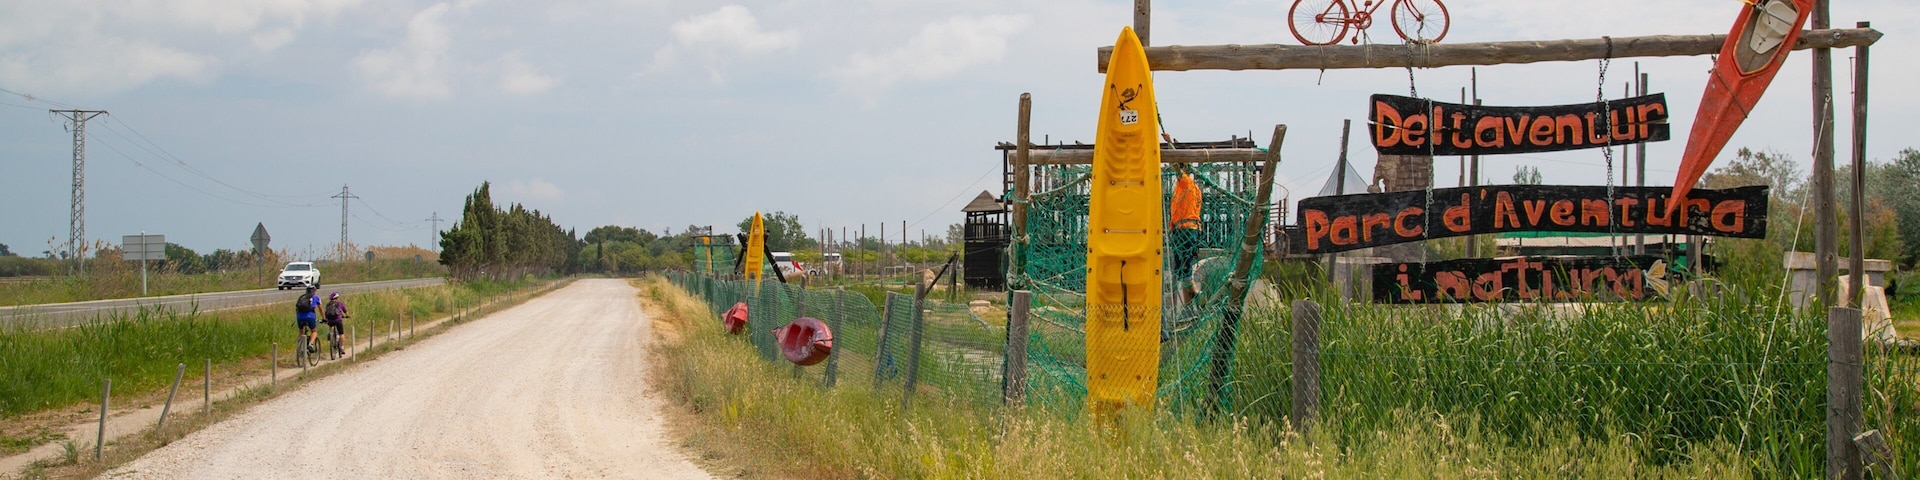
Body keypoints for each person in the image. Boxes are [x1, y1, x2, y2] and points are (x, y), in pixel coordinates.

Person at [1169, 163, 1204, 305]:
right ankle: (1191, 302)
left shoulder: (1186, 182)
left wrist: (1169, 143)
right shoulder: (1188, 187)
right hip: (1184, 229)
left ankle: (1197, 296)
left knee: (1185, 269)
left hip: (1186, 229)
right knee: (1181, 269)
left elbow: (1176, 166)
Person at [323, 291, 351, 357]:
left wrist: (325, 319)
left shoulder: (328, 304)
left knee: (330, 325)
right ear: (337, 298)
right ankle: (341, 347)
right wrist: (347, 316)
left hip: (330, 320)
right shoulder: (340, 303)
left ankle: (330, 333)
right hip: (338, 320)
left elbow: (326, 312)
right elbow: (345, 311)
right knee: (341, 334)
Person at [294, 286, 321, 353]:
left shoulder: (301, 297)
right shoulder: (316, 297)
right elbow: (321, 309)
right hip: (310, 316)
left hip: (300, 317)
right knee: (314, 331)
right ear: (314, 291)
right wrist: (324, 318)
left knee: (301, 331)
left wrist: (297, 317)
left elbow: (297, 308)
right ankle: (310, 344)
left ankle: (299, 346)